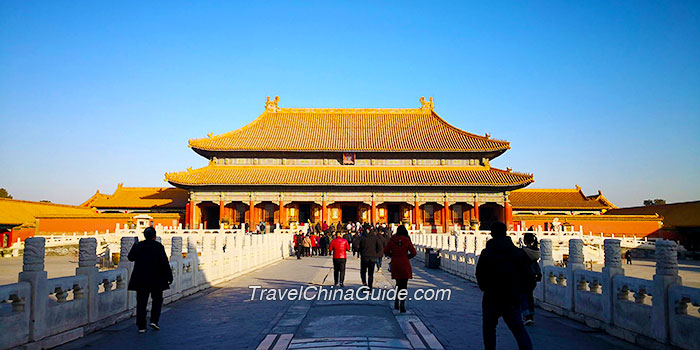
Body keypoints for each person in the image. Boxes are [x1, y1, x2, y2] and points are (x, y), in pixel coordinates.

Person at [476, 222, 532, 350]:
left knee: (489, 329)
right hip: (512, 296)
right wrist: (519, 291)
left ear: (492, 234)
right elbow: (527, 275)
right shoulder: (517, 253)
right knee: (518, 329)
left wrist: (485, 288)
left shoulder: (487, 253)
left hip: (491, 296)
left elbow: (480, 274)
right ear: (505, 232)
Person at [127, 227, 173, 333]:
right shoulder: (158, 247)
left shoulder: (139, 246)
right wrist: (169, 276)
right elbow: (164, 263)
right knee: (157, 300)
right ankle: (154, 321)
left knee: (141, 302)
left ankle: (141, 326)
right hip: (156, 278)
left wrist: (135, 245)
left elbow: (130, 257)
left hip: (141, 279)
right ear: (154, 236)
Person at [383, 225, 416, 313]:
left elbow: (386, 251)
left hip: (395, 264)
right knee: (404, 286)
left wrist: (393, 256)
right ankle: (402, 304)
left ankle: (396, 302)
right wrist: (406, 257)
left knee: (398, 284)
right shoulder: (406, 240)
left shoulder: (392, 239)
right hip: (404, 264)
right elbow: (414, 252)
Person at [521, 232, 540, 325]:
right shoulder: (536, 251)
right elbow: (535, 264)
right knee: (530, 296)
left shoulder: (524, 251)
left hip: (524, 276)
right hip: (533, 277)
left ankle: (526, 315)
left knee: (523, 296)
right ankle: (531, 315)